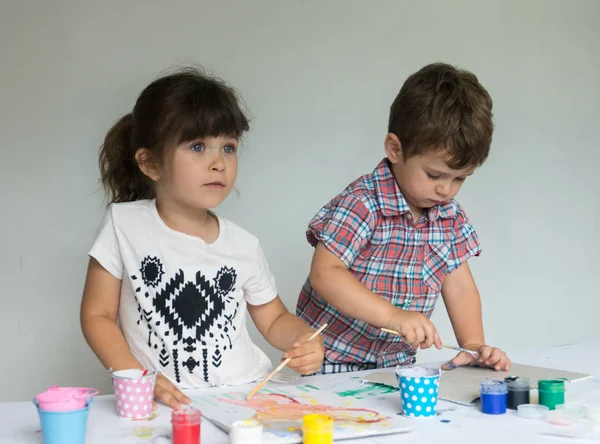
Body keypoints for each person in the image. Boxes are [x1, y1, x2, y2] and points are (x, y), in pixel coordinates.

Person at [80, 68, 324, 409]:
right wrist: (138, 379)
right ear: (150, 164)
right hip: (163, 404)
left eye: (228, 147)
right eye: (198, 146)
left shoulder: (244, 245)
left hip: (245, 395)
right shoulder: (124, 226)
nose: (218, 163)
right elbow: (97, 316)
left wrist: (303, 340)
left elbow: (274, 319)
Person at [296, 63, 511, 374]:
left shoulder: (449, 217)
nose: (446, 189)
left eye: (460, 179)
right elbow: (325, 273)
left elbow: (460, 286)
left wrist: (473, 347)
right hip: (330, 361)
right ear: (395, 149)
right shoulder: (362, 203)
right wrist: (394, 316)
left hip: (395, 366)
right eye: (435, 174)